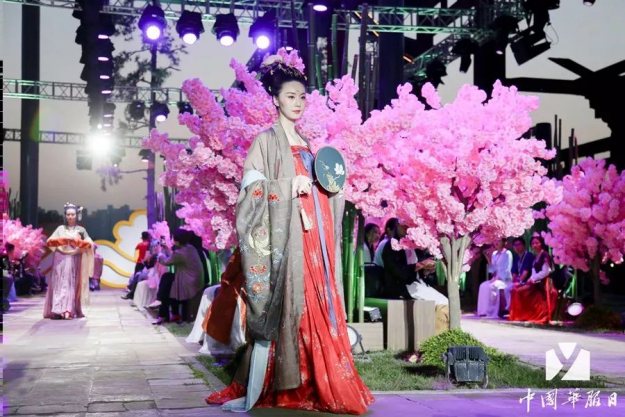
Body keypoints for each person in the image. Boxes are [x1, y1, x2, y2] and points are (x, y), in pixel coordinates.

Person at [205, 54, 373, 414]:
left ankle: (319, 381)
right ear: (275, 99)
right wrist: (285, 186)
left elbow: (321, 188)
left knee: (316, 301)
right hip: (287, 239)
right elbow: (250, 192)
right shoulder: (265, 142)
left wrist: (333, 190)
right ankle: (286, 383)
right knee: (290, 302)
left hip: (313, 239)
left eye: (302, 97)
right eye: (290, 96)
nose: (297, 103)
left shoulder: (309, 145)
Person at [44, 202, 94, 319]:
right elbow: (50, 241)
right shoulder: (60, 229)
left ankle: (68, 310)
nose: (70, 217)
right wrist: (62, 240)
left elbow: (89, 243)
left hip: (74, 258)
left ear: (77, 215)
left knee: (71, 283)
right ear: (65, 216)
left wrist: (80, 243)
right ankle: (58, 309)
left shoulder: (81, 230)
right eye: (68, 214)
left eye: (72, 214)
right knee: (59, 283)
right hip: (60, 258)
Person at [153, 228, 203, 324]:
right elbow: (174, 258)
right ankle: (166, 311)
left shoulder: (180, 253)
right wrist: (167, 249)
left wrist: (160, 253)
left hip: (188, 281)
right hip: (192, 279)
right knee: (167, 279)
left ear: (177, 240)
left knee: (166, 281)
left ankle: (161, 306)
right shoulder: (190, 248)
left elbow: (166, 262)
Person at [509, 235, 558, 324]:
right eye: (533, 243)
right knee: (516, 290)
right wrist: (531, 279)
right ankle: (521, 315)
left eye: (537, 243)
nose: (534, 245)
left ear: (541, 243)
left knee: (520, 291)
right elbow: (533, 271)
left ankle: (526, 315)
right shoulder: (536, 256)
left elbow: (546, 271)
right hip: (536, 282)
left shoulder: (544, 255)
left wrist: (533, 279)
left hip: (544, 283)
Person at [476, 238, 513, 318]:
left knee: (493, 286)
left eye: (499, 241)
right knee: (483, 286)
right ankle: (483, 311)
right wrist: (488, 258)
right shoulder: (494, 254)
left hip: (505, 279)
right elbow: (492, 270)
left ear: (504, 242)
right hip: (495, 278)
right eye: (496, 241)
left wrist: (498, 278)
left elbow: (507, 268)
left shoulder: (507, 253)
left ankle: (493, 311)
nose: (496, 243)